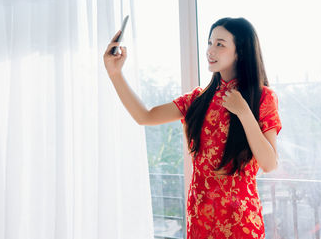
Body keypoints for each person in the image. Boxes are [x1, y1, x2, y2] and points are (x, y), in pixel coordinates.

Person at [103, 17, 282, 239]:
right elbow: (145, 116)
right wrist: (115, 74)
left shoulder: (262, 97)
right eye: (209, 42)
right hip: (200, 218)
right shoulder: (197, 99)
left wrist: (244, 113)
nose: (210, 50)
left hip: (240, 222)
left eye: (220, 44)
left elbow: (269, 163)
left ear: (240, 52)